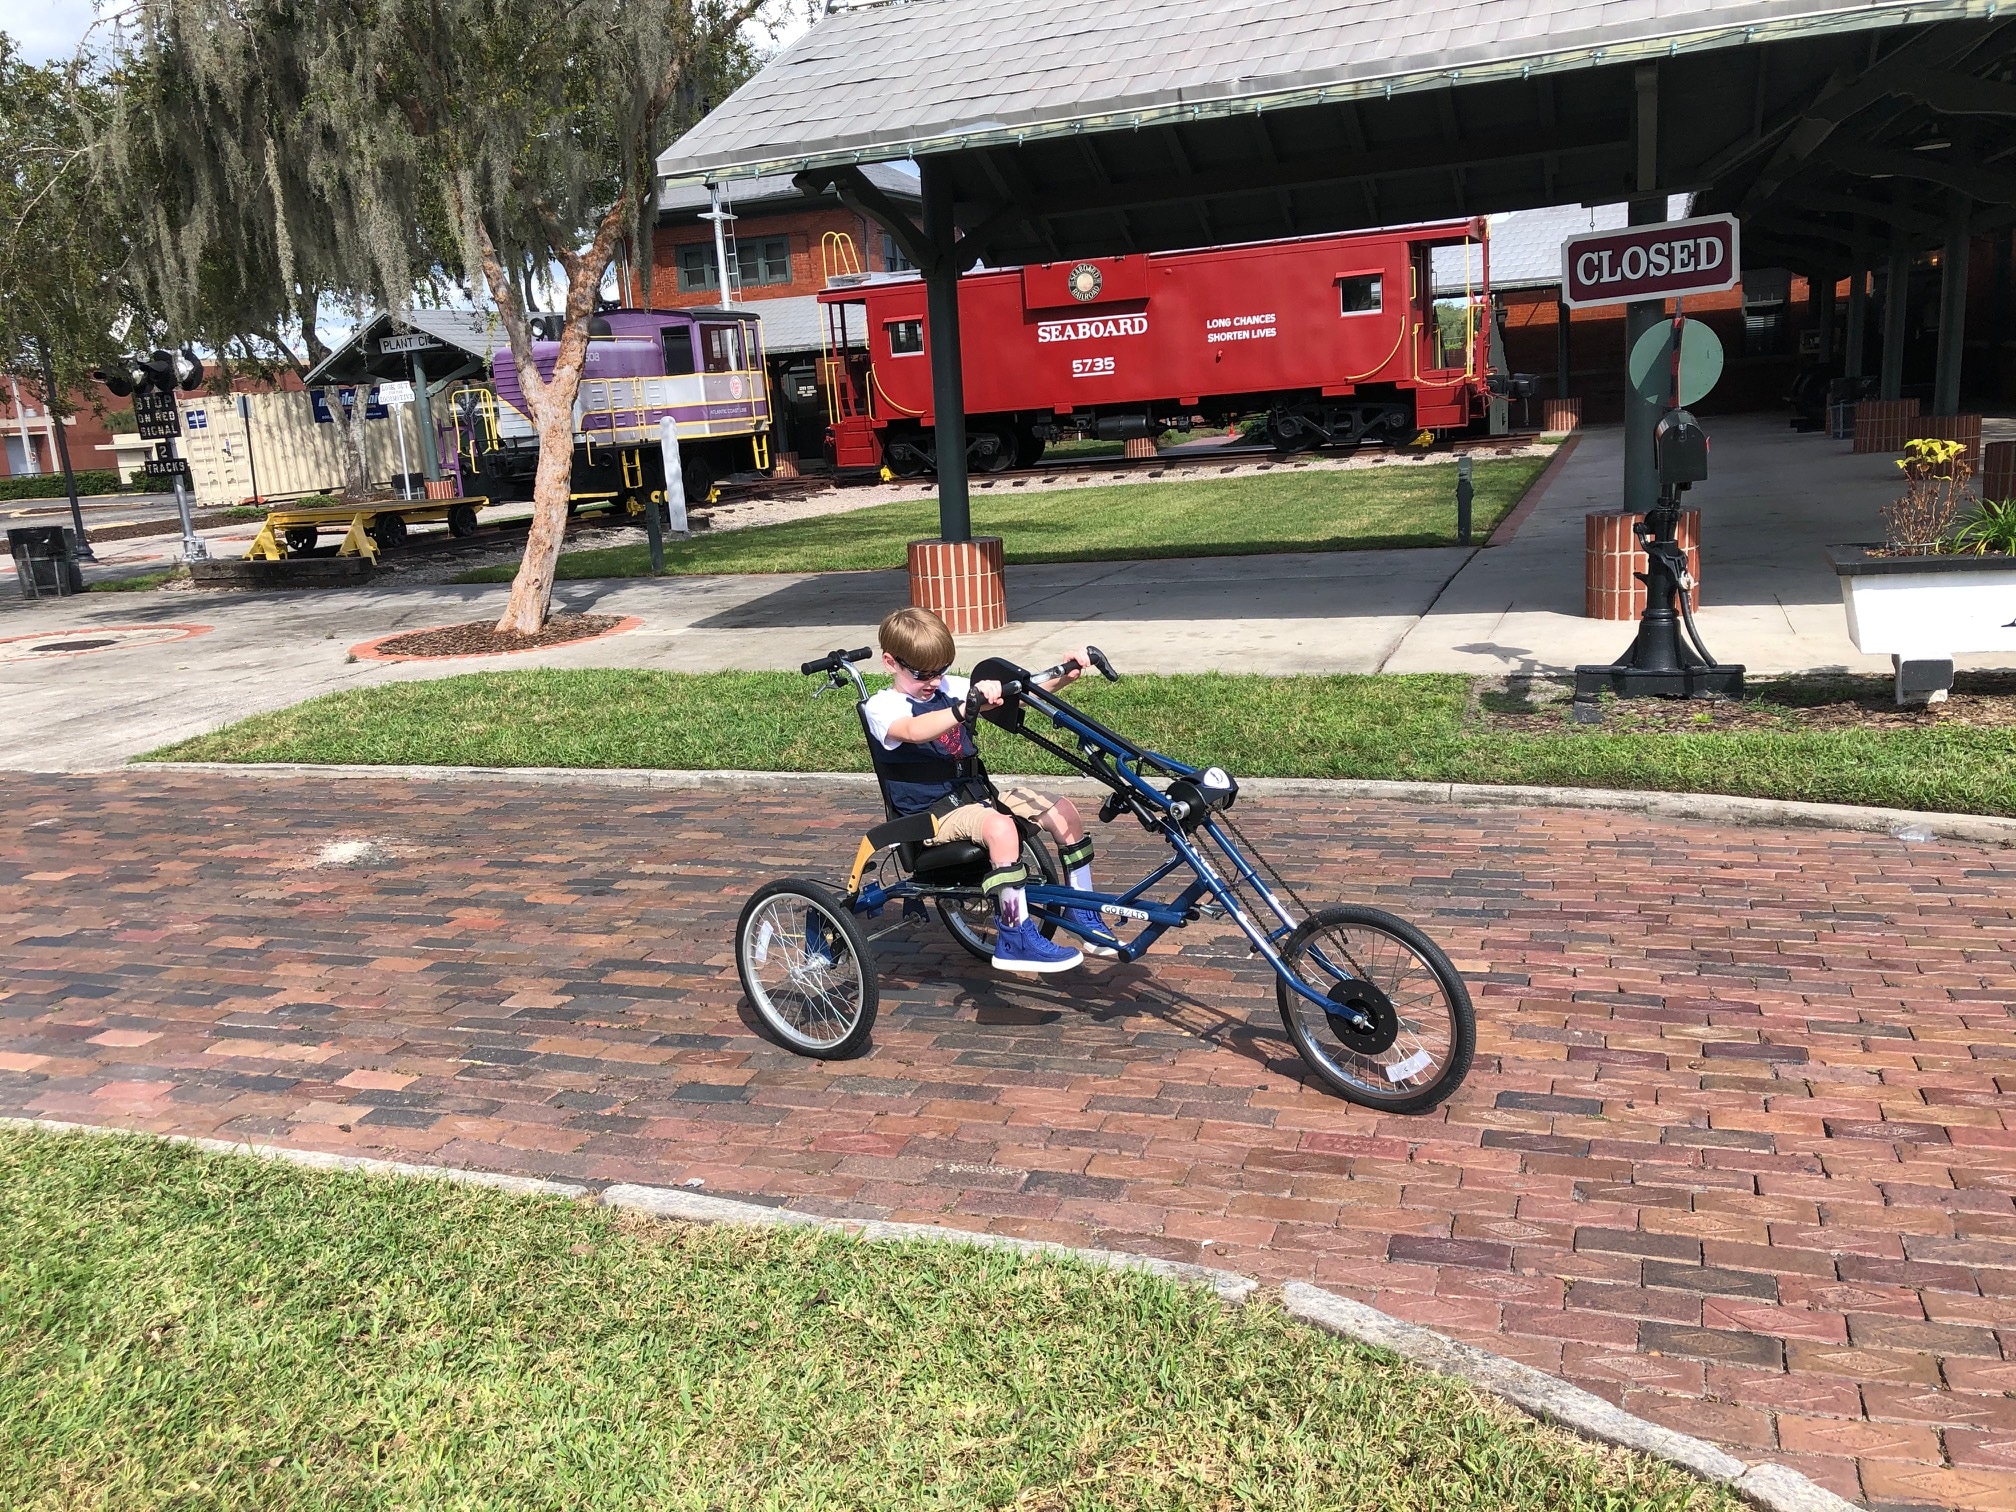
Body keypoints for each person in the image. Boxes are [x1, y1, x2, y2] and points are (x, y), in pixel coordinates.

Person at [861, 606, 1118, 973]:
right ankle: (1014, 937)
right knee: (1001, 827)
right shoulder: (883, 706)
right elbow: (915, 731)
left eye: (941, 670)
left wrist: (1066, 675)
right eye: (923, 673)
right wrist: (966, 705)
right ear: (890, 663)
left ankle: (1083, 911)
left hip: (975, 795)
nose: (934, 681)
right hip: (930, 817)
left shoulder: (950, 688)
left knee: (1064, 812)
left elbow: (1017, 694)